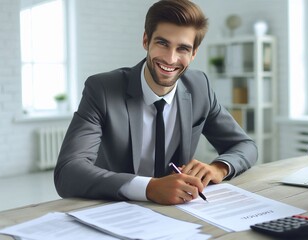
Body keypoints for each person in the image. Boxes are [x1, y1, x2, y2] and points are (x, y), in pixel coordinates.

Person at [54, 0, 257, 205]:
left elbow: (245, 145)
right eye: (162, 43)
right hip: (116, 207)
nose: (171, 59)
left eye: (183, 49)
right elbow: (68, 171)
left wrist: (219, 167)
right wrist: (148, 188)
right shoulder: (102, 89)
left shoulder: (199, 87)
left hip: (179, 210)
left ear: (194, 53)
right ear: (146, 40)